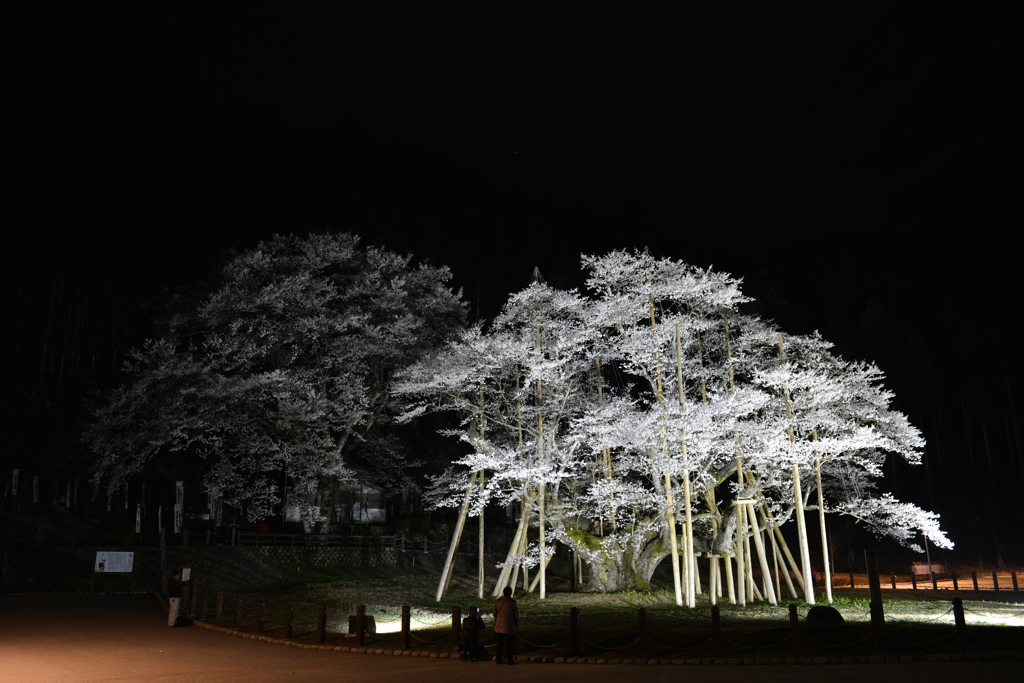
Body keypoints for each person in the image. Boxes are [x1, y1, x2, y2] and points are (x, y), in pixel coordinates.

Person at [492, 586, 518, 665]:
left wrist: (497, 620)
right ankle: (509, 659)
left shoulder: (498, 601)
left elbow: (494, 613)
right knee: (509, 644)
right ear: (510, 593)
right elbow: (516, 615)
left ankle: (498, 659)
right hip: (509, 626)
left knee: (499, 644)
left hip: (499, 626)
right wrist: (516, 625)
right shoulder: (512, 602)